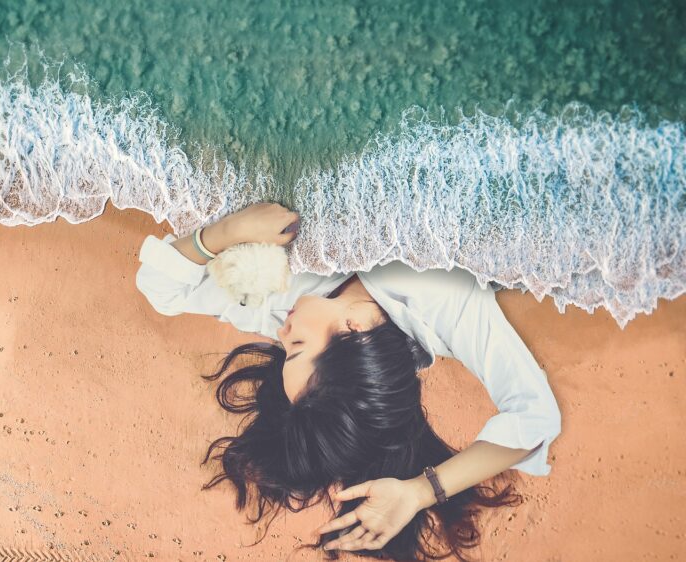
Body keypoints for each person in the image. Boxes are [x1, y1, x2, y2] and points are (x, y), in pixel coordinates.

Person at [134, 202, 562, 561]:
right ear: (355, 331)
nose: (281, 333)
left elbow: (163, 289)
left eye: (286, 352)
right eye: (297, 345)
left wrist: (226, 232)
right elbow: (534, 416)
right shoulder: (439, 303)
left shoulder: (283, 307)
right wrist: (419, 492)